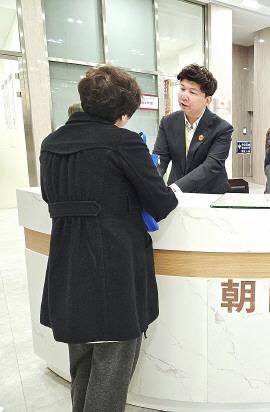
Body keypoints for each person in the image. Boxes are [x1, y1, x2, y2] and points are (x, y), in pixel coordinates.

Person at [39, 65, 178, 412]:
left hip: (68, 269)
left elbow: (49, 196)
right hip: (114, 273)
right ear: (123, 113)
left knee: (82, 363)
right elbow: (162, 202)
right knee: (112, 368)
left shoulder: (51, 144)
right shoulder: (124, 143)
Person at [154, 64, 233, 194]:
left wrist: (176, 188)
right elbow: (160, 159)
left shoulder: (222, 128)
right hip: (176, 196)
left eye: (192, 92)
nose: (184, 96)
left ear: (207, 100)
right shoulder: (168, 122)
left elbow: (211, 166)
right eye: (182, 88)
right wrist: (150, 183)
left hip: (209, 195)